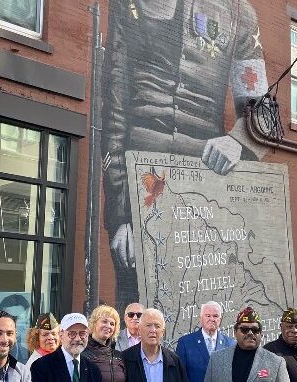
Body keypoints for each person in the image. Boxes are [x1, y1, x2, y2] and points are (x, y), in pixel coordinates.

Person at [102, 0, 270, 311]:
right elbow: (114, 111)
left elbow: (262, 110)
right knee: (138, 309)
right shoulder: (127, 4)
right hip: (141, 183)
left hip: (204, 185)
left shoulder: (237, 11)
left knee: (204, 305)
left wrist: (239, 141)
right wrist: (120, 217)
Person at [202, 306, 292, 382]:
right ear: (235, 332)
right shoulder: (216, 360)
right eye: (244, 329)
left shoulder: (276, 363)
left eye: (255, 330)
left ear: (261, 334)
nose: (250, 333)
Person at [31, 313, 104, 382]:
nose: (78, 339)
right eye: (72, 333)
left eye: (82, 333)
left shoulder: (94, 370)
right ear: (61, 335)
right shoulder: (41, 366)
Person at [122, 308, 189, 382]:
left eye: (157, 326)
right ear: (140, 330)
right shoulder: (125, 359)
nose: (153, 330)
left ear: (163, 332)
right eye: (148, 325)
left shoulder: (174, 361)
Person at [176, 301, 235, 382]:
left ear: (220, 320)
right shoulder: (185, 343)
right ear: (201, 318)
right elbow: (180, 375)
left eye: (215, 316)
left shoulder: (231, 344)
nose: (212, 319)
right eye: (208, 316)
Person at [82, 305, 126, 382]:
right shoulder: (82, 354)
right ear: (94, 323)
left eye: (112, 324)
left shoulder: (118, 356)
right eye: (104, 321)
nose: (108, 326)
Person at [0, 294, 31, 362]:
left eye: (19, 318)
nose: (13, 323)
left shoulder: (29, 355)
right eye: (9, 318)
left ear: (26, 321)